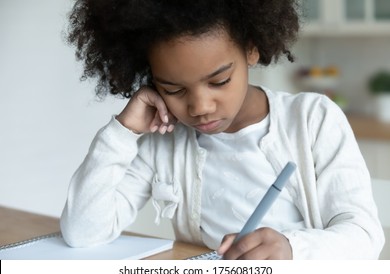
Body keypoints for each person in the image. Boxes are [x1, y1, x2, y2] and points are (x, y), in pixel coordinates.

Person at [60, 0, 385, 259]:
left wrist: (291, 250)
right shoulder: (164, 141)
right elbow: (83, 233)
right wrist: (123, 132)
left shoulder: (312, 119)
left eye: (219, 81)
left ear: (251, 49)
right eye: (173, 90)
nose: (200, 107)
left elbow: (364, 235)